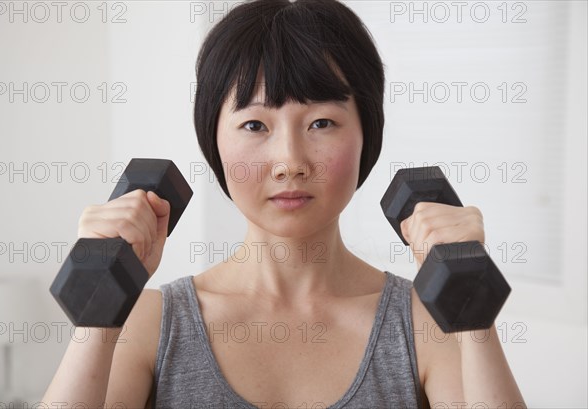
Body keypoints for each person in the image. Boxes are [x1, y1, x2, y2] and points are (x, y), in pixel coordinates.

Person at [43, 0, 526, 407]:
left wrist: (472, 308)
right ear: (215, 142)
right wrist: (98, 311)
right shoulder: (150, 322)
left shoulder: (426, 323)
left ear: (366, 137)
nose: (290, 162)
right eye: (255, 125)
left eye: (322, 123)